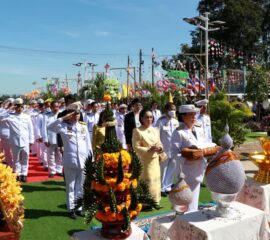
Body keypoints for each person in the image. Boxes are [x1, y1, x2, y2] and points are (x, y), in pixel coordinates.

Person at [47, 102, 92, 219]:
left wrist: (90, 159)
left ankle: (79, 208)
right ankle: (71, 209)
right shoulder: (63, 126)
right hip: (70, 160)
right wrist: (63, 118)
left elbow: (88, 144)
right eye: (73, 113)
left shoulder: (83, 126)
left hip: (83, 160)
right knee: (71, 186)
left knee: (81, 186)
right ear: (69, 114)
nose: (76, 115)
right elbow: (50, 127)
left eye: (78, 113)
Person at [171, 104, 208, 212]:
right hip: (185, 172)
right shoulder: (178, 132)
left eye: (194, 114)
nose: (194, 117)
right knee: (184, 202)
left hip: (199, 169)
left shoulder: (199, 129)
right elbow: (173, 153)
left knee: (194, 201)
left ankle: (191, 221)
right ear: (183, 116)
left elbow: (203, 144)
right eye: (191, 115)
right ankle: (183, 223)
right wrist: (188, 155)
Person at [132, 109, 164, 206]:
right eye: (146, 117)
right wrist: (149, 149)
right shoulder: (137, 130)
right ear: (141, 118)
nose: (149, 119)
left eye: (151, 117)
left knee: (156, 181)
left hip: (155, 160)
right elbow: (136, 147)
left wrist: (160, 148)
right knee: (147, 180)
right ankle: (145, 202)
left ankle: (155, 200)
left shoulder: (155, 130)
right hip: (145, 160)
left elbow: (160, 143)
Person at [0, 98, 34, 182]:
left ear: (23, 107)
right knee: (16, 159)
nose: (20, 108)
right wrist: (9, 109)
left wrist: (31, 140)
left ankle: (24, 174)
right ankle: (17, 173)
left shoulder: (26, 117)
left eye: (21, 106)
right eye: (17, 106)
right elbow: (0, 118)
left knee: (25, 158)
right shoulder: (10, 116)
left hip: (25, 141)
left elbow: (31, 129)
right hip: (14, 141)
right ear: (15, 107)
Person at [155, 102, 179, 196]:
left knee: (171, 168)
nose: (173, 111)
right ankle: (161, 188)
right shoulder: (160, 121)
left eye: (174, 109)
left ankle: (167, 186)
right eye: (171, 109)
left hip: (174, 150)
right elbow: (156, 135)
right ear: (166, 110)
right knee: (162, 169)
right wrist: (159, 148)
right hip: (164, 150)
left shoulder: (175, 121)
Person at [42, 101, 63, 178]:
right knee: (50, 155)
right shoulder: (46, 116)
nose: (56, 108)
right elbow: (43, 128)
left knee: (60, 155)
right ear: (50, 107)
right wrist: (45, 139)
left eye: (57, 106)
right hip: (50, 137)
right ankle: (52, 171)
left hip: (60, 138)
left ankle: (59, 170)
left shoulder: (61, 115)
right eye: (54, 107)